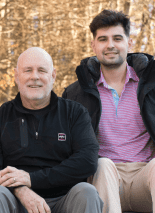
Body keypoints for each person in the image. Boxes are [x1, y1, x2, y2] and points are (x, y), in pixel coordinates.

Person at [0, 47, 103, 213]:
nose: (34, 76)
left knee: (87, 192)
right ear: (16, 76)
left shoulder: (74, 112)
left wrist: (32, 179)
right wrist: (20, 189)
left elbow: (87, 160)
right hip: (14, 200)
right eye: (27, 70)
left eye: (41, 70)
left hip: (63, 200)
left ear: (53, 76)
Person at [63, 9, 155, 213]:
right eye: (103, 39)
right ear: (93, 45)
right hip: (103, 180)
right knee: (103, 165)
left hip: (145, 178)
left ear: (129, 43)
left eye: (117, 38)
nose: (110, 45)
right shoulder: (75, 93)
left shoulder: (151, 86)